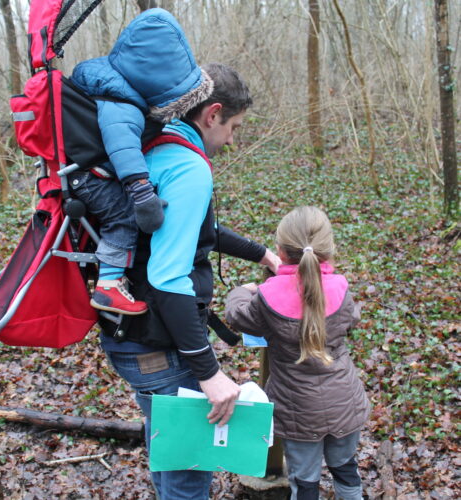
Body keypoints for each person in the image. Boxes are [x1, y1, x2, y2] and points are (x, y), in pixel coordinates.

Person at [99, 62, 281, 500]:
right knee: (188, 473)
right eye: (234, 127)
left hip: (126, 337)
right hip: (157, 347)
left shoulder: (157, 148)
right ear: (212, 114)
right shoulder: (189, 168)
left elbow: (197, 231)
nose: (233, 140)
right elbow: (167, 278)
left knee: (166, 448)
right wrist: (209, 373)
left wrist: (261, 253)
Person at [68, 8, 214, 315]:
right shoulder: (122, 103)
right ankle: (109, 286)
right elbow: (123, 148)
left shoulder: (115, 85)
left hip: (85, 171)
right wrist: (141, 192)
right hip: (89, 176)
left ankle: (110, 276)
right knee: (123, 215)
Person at [225, 206, 370, 500]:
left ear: (280, 250)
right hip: (345, 402)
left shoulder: (266, 297)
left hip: (297, 412)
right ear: (328, 251)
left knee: (304, 482)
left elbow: (237, 316)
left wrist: (242, 289)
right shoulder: (341, 289)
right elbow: (351, 317)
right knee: (345, 468)